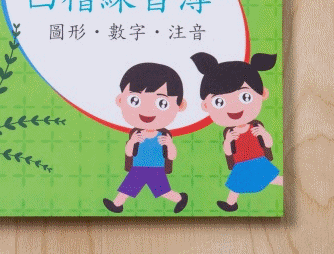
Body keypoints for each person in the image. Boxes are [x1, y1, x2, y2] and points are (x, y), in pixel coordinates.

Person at [191, 52, 282, 212]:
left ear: (263, 94)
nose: (234, 108)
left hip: (258, 161)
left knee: (271, 178)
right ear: (206, 106)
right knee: (235, 185)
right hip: (241, 164)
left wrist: (263, 133)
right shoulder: (229, 133)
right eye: (219, 102)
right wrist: (228, 141)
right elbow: (228, 152)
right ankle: (231, 204)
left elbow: (268, 143)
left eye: (245, 97)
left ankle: (288, 186)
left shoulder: (256, 127)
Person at [103, 62, 189, 214]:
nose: (148, 110)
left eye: (162, 103)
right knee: (126, 189)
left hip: (156, 170)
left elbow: (172, 156)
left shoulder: (164, 136)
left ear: (180, 105)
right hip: (138, 168)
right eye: (135, 100)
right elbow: (129, 152)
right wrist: (132, 142)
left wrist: (169, 144)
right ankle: (116, 205)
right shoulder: (136, 135)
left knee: (164, 192)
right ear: (120, 100)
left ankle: (180, 199)